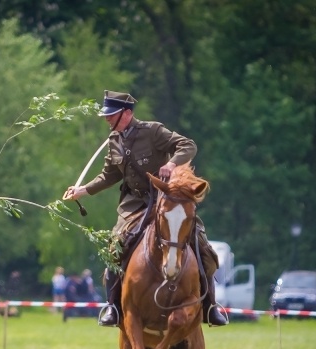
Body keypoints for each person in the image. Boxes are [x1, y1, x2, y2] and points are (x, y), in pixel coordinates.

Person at [63, 90, 227, 328]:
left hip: (167, 201)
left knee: (204, 250)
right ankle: (113, 307)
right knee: (114, 249)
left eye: (112, 115)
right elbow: (109, 175)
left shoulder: (152, 131)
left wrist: (171, 164)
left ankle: (210, 306)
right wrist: (83, 191)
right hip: (133, 204)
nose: (107, 120)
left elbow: (188, 145)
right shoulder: (114, 141)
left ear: (127, 114)